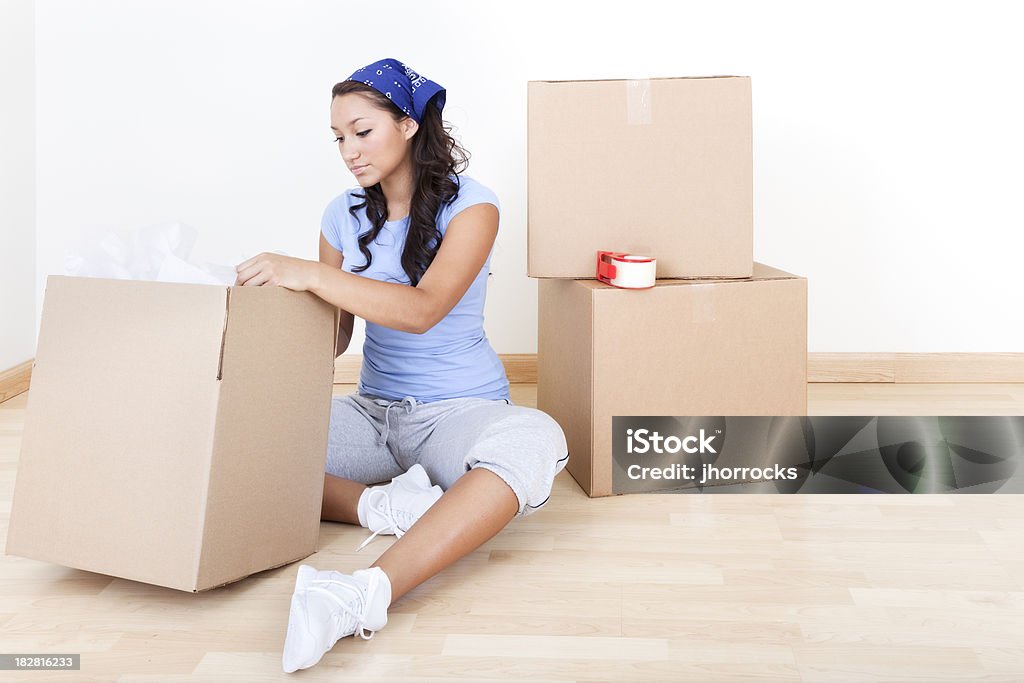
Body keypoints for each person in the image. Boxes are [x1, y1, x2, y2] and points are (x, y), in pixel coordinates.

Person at [233, 57, 569, 673]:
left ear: (408, 125)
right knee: (234, 441)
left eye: (362, 131)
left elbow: (422, 311)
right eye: (338, 138)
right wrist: (263, 322)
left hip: (458, 411)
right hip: (372, 414)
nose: (348, 151)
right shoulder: (341, 214)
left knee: (535, 442)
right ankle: (383, 507)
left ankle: (362, 594)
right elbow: (332, 340)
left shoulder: (473, 206)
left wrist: (308, 273)